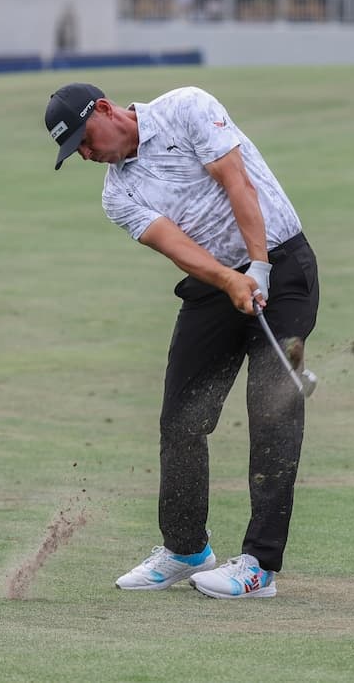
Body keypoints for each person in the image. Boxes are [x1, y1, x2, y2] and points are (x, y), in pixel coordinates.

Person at [43, 83, 319, 599]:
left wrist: (258, 268)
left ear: (104, 109)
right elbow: (177, 246)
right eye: (75, 150)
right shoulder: (117, 195)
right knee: (181, 418)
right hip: (214, 285)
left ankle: (259, 566)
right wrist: (231, 280)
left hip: (280, 266)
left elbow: (236, 181)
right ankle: (186, 548)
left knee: (272, 414)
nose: (86, 154)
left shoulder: (186, 108)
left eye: (85, 139)